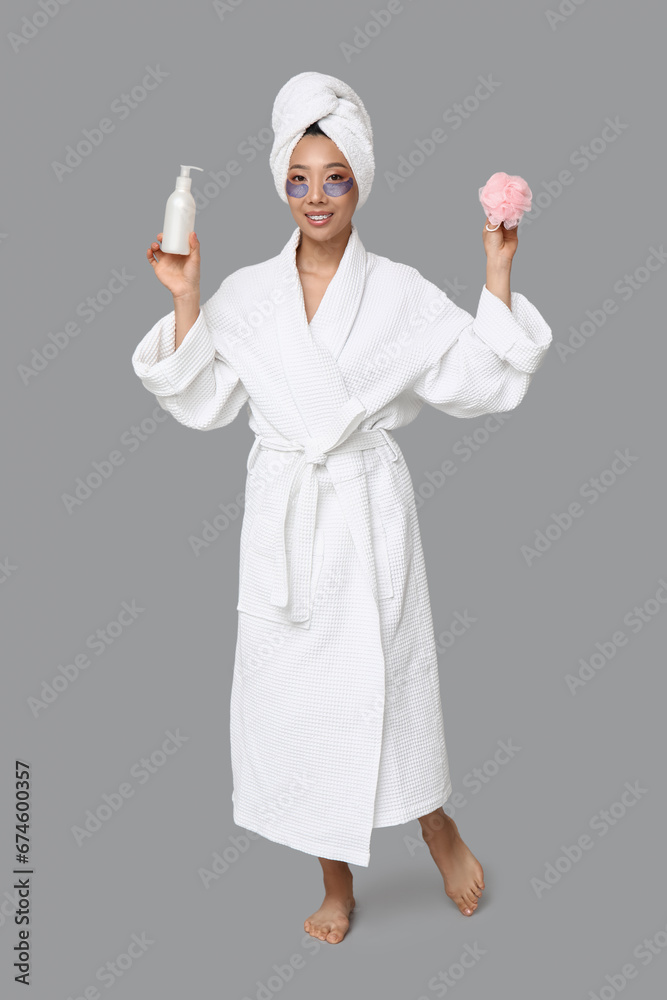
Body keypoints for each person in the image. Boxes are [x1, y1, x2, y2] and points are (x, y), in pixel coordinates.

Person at [132, 71, 553, 945]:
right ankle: (334, 879)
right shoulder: (247, 294)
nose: (315, 197)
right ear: (279, 184)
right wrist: (183, 298)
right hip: (286, 516)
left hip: (366, 519)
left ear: (360, 178)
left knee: (391, 687)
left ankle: (434, 824)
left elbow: (477, 379)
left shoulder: (396, 292)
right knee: (296, 703)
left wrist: (497, 271)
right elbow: (200, 396)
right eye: (298, 178)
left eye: (333, 177)